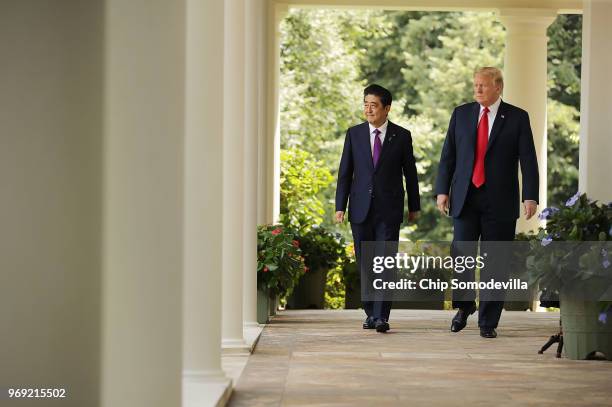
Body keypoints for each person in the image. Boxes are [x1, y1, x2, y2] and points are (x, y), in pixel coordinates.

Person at [435, 67, 539, 339]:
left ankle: (488, 322)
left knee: (496, 260)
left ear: (498, 87)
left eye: (483, 85)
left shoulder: (517, 117)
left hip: (500, 201)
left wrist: (530, 195)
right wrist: (442, 191)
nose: (478, 89)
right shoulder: (461, 114)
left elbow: (528, 159)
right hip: (465, 198)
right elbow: (449, 155)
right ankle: (464, 306)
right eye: (476, 85)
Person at [335, 84, 420, 333]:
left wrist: (414, 206)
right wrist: (340, 205)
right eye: (365, 104)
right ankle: (370, 311)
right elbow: (345, 173)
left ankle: (381, 316)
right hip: (360, 209)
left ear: (387, 108)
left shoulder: (402, 136)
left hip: (389, 209)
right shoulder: (354, 134)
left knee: (385, 261)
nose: (368, 109)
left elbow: (410, 174)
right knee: (366, 262)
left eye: (373, 105)